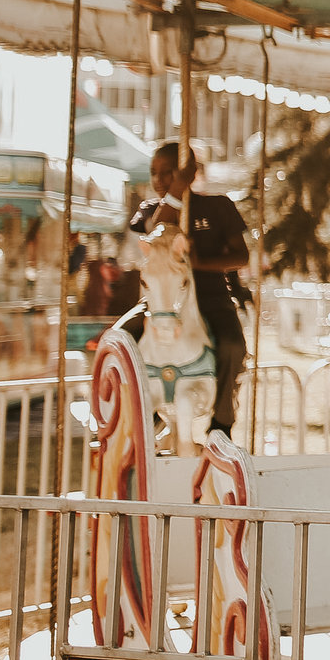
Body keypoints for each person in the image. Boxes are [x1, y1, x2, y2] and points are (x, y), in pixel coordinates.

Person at [128, 141, 250, 439]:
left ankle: (222, 420)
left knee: (233, 346)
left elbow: (241, 255)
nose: (158, 180)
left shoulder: (218, 206)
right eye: (154, 173)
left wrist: (201, 262)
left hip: (210, 298)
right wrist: (175, 193)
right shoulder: (150, 210)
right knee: (120, 339)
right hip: (162, 301)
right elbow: (155, 232)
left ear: (190, 173)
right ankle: (141, 411)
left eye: (169, 173)